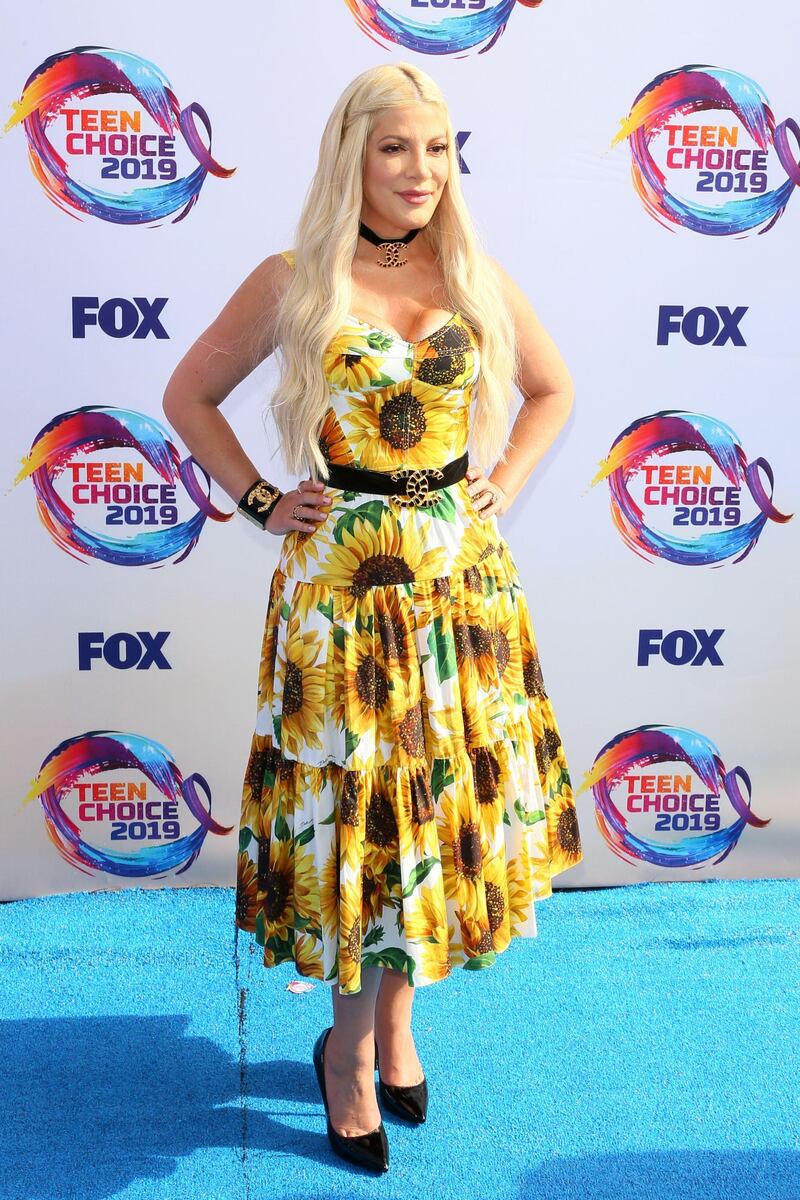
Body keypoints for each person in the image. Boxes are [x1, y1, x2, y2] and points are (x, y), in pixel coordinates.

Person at [163, 61, 583, 1175]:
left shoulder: (472, 275)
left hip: (456, 587)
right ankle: (344, 1054)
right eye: (396, 148)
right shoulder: (293, 278)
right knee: (358, 820)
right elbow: (186, 398)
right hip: (340, 598)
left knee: (426, 815)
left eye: (437, 149)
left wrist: (500, 473)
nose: (419, 171)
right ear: (351, 154)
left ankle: (396, 1023)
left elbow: (553, 390)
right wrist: (260, 497)